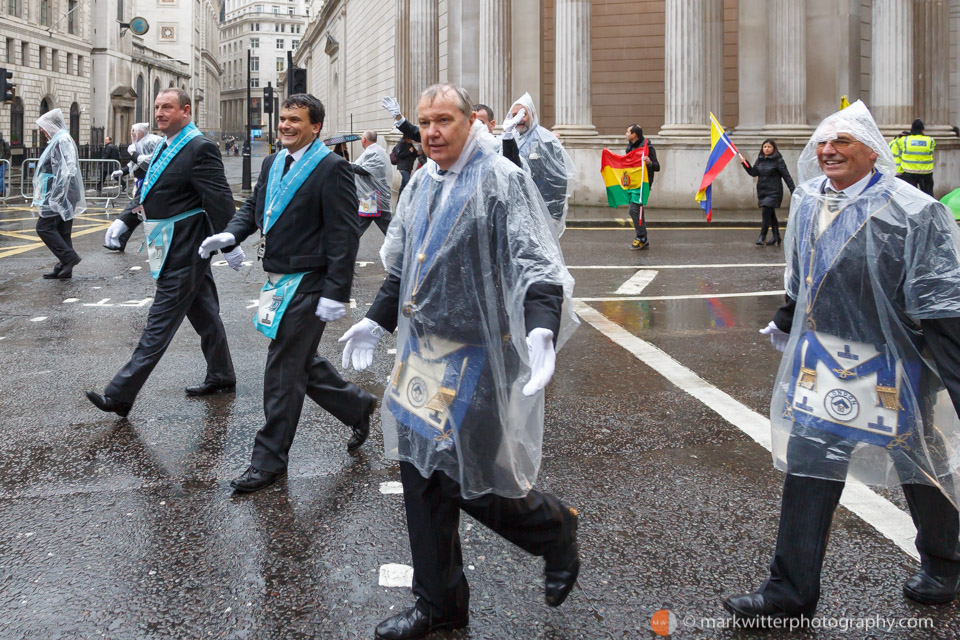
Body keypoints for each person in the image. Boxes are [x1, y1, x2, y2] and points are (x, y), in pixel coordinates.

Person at [341, 83, 581, 640]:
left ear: (471, 121)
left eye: (443, 120)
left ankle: (552, 530)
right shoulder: (423, 180)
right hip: (426, 353)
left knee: (473, 478)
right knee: (421, 474)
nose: (431, 133)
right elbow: (406, 265)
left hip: (479, 353)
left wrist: (542, 325)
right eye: (424, 123)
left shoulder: (501, 180)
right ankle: (439, 603)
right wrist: (378, 319)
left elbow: (536, 262)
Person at [725, 100, 960, 622]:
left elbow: (943, 304)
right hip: (824, 359)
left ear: (872, 151)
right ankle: (789, 592)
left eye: (842, 142)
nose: (828, 150)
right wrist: (787, 319)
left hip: (895, 364)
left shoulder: (915, 210)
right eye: (823, 143)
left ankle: (945, 563)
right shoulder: (807, 198)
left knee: (919, 463)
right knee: (810, 467)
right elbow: (807, 273)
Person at [198, 93, 375, 493]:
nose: (286, 126)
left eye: (295, 120)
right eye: (282, 118)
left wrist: (336, 291)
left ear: (315, 127)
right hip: (279, 280)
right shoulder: (272, 161)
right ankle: (356, 405)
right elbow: (256, 208)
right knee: (298, 363)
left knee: (281, 371)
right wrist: (232, 233)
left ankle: (268, 461)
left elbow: (345, 236)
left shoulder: (332, 169)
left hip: (311, 283)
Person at [85, 88, 238, 418]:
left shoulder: (200, 147)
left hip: (184, 246)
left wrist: (230, 241)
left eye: (167, 107)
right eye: (156, 107)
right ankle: (222, 374)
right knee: (205, 314)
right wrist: (126, 219)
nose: (159, 112)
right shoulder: (164, 147)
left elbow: (220, 198)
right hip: (168, 242)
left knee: (158, 324)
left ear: (186, 111)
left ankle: (120, 394)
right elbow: (150, 189)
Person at [502, 92, 576, 236]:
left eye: (523, 114)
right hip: (519, 211)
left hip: (542, 213)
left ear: (532, 114)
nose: (519, 120)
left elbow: (558, 180)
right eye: (514, 115)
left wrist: (554, 216)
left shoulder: (546, 140)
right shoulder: (513, 138)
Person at [32, 108, 86, 279]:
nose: (42, 130)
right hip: (64, 192)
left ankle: (69, 258)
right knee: (63, 231)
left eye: (43, 127)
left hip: (61, 192)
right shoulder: (59, 139)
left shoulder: (62, 140)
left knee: (44, 227)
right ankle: (65, 267)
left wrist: (57, 195)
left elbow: (67, 169)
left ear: (51, 125)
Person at [105, 123, 164, 251]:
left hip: (150, 183)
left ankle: (158, 245)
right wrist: (123, 171)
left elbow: (149, 161)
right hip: (141, 182)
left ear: (141, 132)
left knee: (139, 211)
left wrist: (133, 154)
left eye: (134, 131)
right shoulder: (136, 145)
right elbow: (134, 164)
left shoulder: (153, 141)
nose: (131, 133)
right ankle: (121, 240)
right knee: (138, 213)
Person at [738, 139, 795, 247]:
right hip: (763, 191)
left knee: (765, 212)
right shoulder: (760, 160)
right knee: (771, 214)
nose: (766, 149)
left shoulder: (779, 161)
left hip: (774, 192)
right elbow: (753, 173)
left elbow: (786, 176)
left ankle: (762, 237)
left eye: (769, 147)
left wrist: (794, 191)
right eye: (765, 147)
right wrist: (745, 163)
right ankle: (776, 236)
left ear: (773, 148)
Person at [622, 124, 660, 250]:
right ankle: (643, 238)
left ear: (634, 135)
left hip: (643, 184)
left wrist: (649, 162)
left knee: (633, 210)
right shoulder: (630, 147)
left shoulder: (648, 148)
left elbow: (657, 167)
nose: (625, 134)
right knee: (638, 211)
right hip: (632, 183)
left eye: (627, 132)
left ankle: (641, 237)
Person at [353, 129, 393, 236]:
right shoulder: (375, 150)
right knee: (359, 225)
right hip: (370, 196)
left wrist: (346, 164)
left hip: (375, 197)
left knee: (388, 227)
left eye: (362, 138)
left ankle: (403, 246)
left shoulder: (374, 152)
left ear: (364, 139)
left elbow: (363, 170)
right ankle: (345, 246)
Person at [891, 118, 936, 196]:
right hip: (926, 173)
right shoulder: (930, 140)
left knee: (909, 196)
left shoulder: (904, 140)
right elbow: (931, 151)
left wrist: (901, 136)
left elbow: (894, 145)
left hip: (909, 172)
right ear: (922, 130)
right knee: (928, 196)